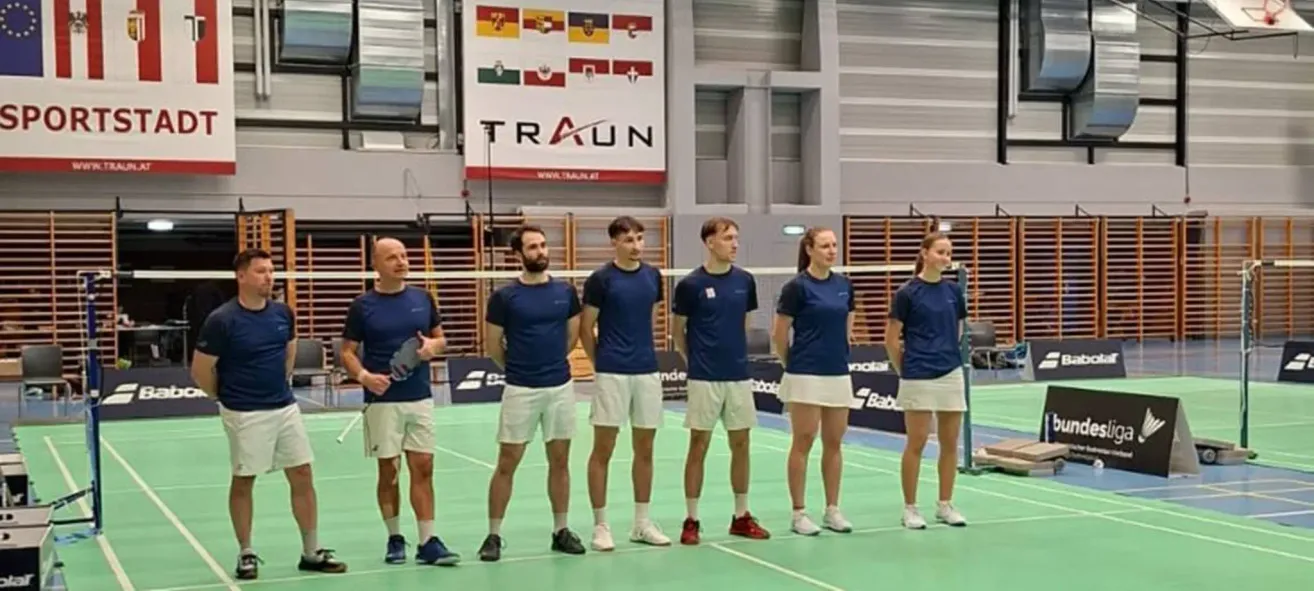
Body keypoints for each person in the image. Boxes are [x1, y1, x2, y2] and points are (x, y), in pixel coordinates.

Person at [190, 248, 347, 580]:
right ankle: (246, 553)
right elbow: (201, 371)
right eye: (261, 271)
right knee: (245, 479)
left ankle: (310, 551)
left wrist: (279, 386)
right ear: (242, 276)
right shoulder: (222, 320)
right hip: (244, 412)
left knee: (302, 474)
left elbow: (288, 354)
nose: (269, 277)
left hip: (284, 406)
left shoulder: (282, 313)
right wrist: (226, 397)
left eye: (271, 271)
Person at [340, 237, 460, 566]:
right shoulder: (362, 305)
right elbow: (346, 351)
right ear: (376, 265)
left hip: (419, 396)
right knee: (389, 472)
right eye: (392, 257)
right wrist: (364, 377)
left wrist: (432, 349)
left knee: (423, 468)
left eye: (404, 256)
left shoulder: (423, 298)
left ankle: (428, 541)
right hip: (381, 401)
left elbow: (440, 339)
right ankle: (394, 538)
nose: (401, 262)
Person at [477, 224, 587, 561]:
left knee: (560, 461)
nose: (541, 251)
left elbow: (572, 337)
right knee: (507, 462)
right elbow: (494, 346)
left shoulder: (565, 292)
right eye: (533, 247)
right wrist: (520, 368)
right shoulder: (504, 297)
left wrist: (551, 364)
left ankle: (560, 530)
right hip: (520, 389)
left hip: (560, 387)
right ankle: (493, 535)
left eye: (543, 245)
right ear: (519, 254)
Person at [671, 217, 771, 545]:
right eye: (728, 238)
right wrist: (697, 362)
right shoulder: (689, 285)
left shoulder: (745, 281)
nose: (734, 243)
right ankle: (691, 519)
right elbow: (677, 333)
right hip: (704, 378)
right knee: (698, 445)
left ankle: (741, 516)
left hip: (738, 375)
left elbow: (743, 324)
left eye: (736, 238)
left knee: (741, 444)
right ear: (710, 242)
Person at [579, 216, 671, 551]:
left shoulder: (652, 276)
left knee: (645, 449)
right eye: (629, 240)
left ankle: (641, 522)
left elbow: (649, 318)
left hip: (646, 370)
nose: (636, 245)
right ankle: (601, 525)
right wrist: (600, 363)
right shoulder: (600, 279)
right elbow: (585, 328)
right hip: (612, 372)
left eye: (640, 239)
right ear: (615, 243)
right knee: (603, 449)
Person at [770, 227, 855, 536]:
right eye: (824, 246)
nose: (832, 251)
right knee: (803, 441)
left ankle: (832, 509)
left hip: (837, 372)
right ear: (809, 249)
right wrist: (790, 365)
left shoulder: (845, 286)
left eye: (834, 245)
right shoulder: (796, 287)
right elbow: (779, 335)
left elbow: (848, 326)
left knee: (834, 443)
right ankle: (798, 513)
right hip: (804, 372)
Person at [884, 232, 969, 530]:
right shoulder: (907, 292)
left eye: (949, 253)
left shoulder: (953, 292)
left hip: (950, 372)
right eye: (941, 252)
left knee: (950, 443)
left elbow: (957, 330)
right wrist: (904, 370)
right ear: (925, 254)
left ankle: (945, 504)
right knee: (916, 442)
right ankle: (910, 508)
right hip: (918, 374)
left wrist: (948, 355)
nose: (946, 258)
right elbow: (892, 340)